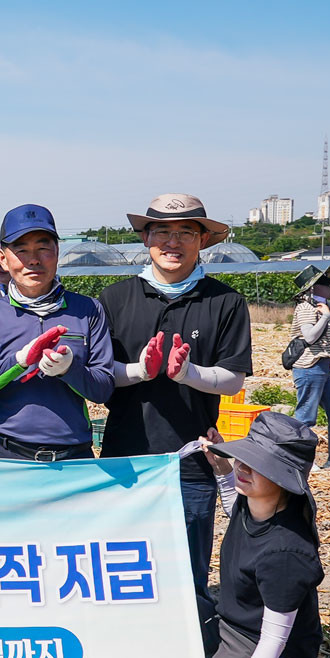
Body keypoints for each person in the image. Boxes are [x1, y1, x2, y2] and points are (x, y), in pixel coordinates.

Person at [99, 194, 252, 597]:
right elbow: (100, 376)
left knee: (186, 573)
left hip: (192, 461)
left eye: (186, 232)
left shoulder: (225, 302)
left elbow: (233, 379)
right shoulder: (114, 299)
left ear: (203, 240)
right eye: (162, 232)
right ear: (146, 238)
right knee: (120, 567)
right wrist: (139, 371)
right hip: (124, 459)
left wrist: (188, 373)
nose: (173, 242)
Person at [0, 204, 114, 460]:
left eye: (43, 248)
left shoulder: (89, 310)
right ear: (2, 258)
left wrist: (68, 369)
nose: (34, 260)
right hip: (6, 455)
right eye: (21, 250)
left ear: (57, 251)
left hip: (73, 457)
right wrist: (19, 361)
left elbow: (103, 389)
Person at [202, 412, 323, 658]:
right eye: (244, 457)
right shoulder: (253, 504)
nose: (243, 466)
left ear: (283, 479)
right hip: (232, 628)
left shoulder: (285, 553)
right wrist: (222, 468)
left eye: (257, 464)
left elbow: (274, 640)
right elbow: (234, 509)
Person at [289, 263, 330, 471]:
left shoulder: (317, 307)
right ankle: (302, 461)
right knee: (306, 416)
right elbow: (309, 336)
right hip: (310, 366)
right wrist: (324, 316)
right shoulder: (305, 309)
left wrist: (325, 305)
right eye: (325, 284)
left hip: (323, 366)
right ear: (313, 288)